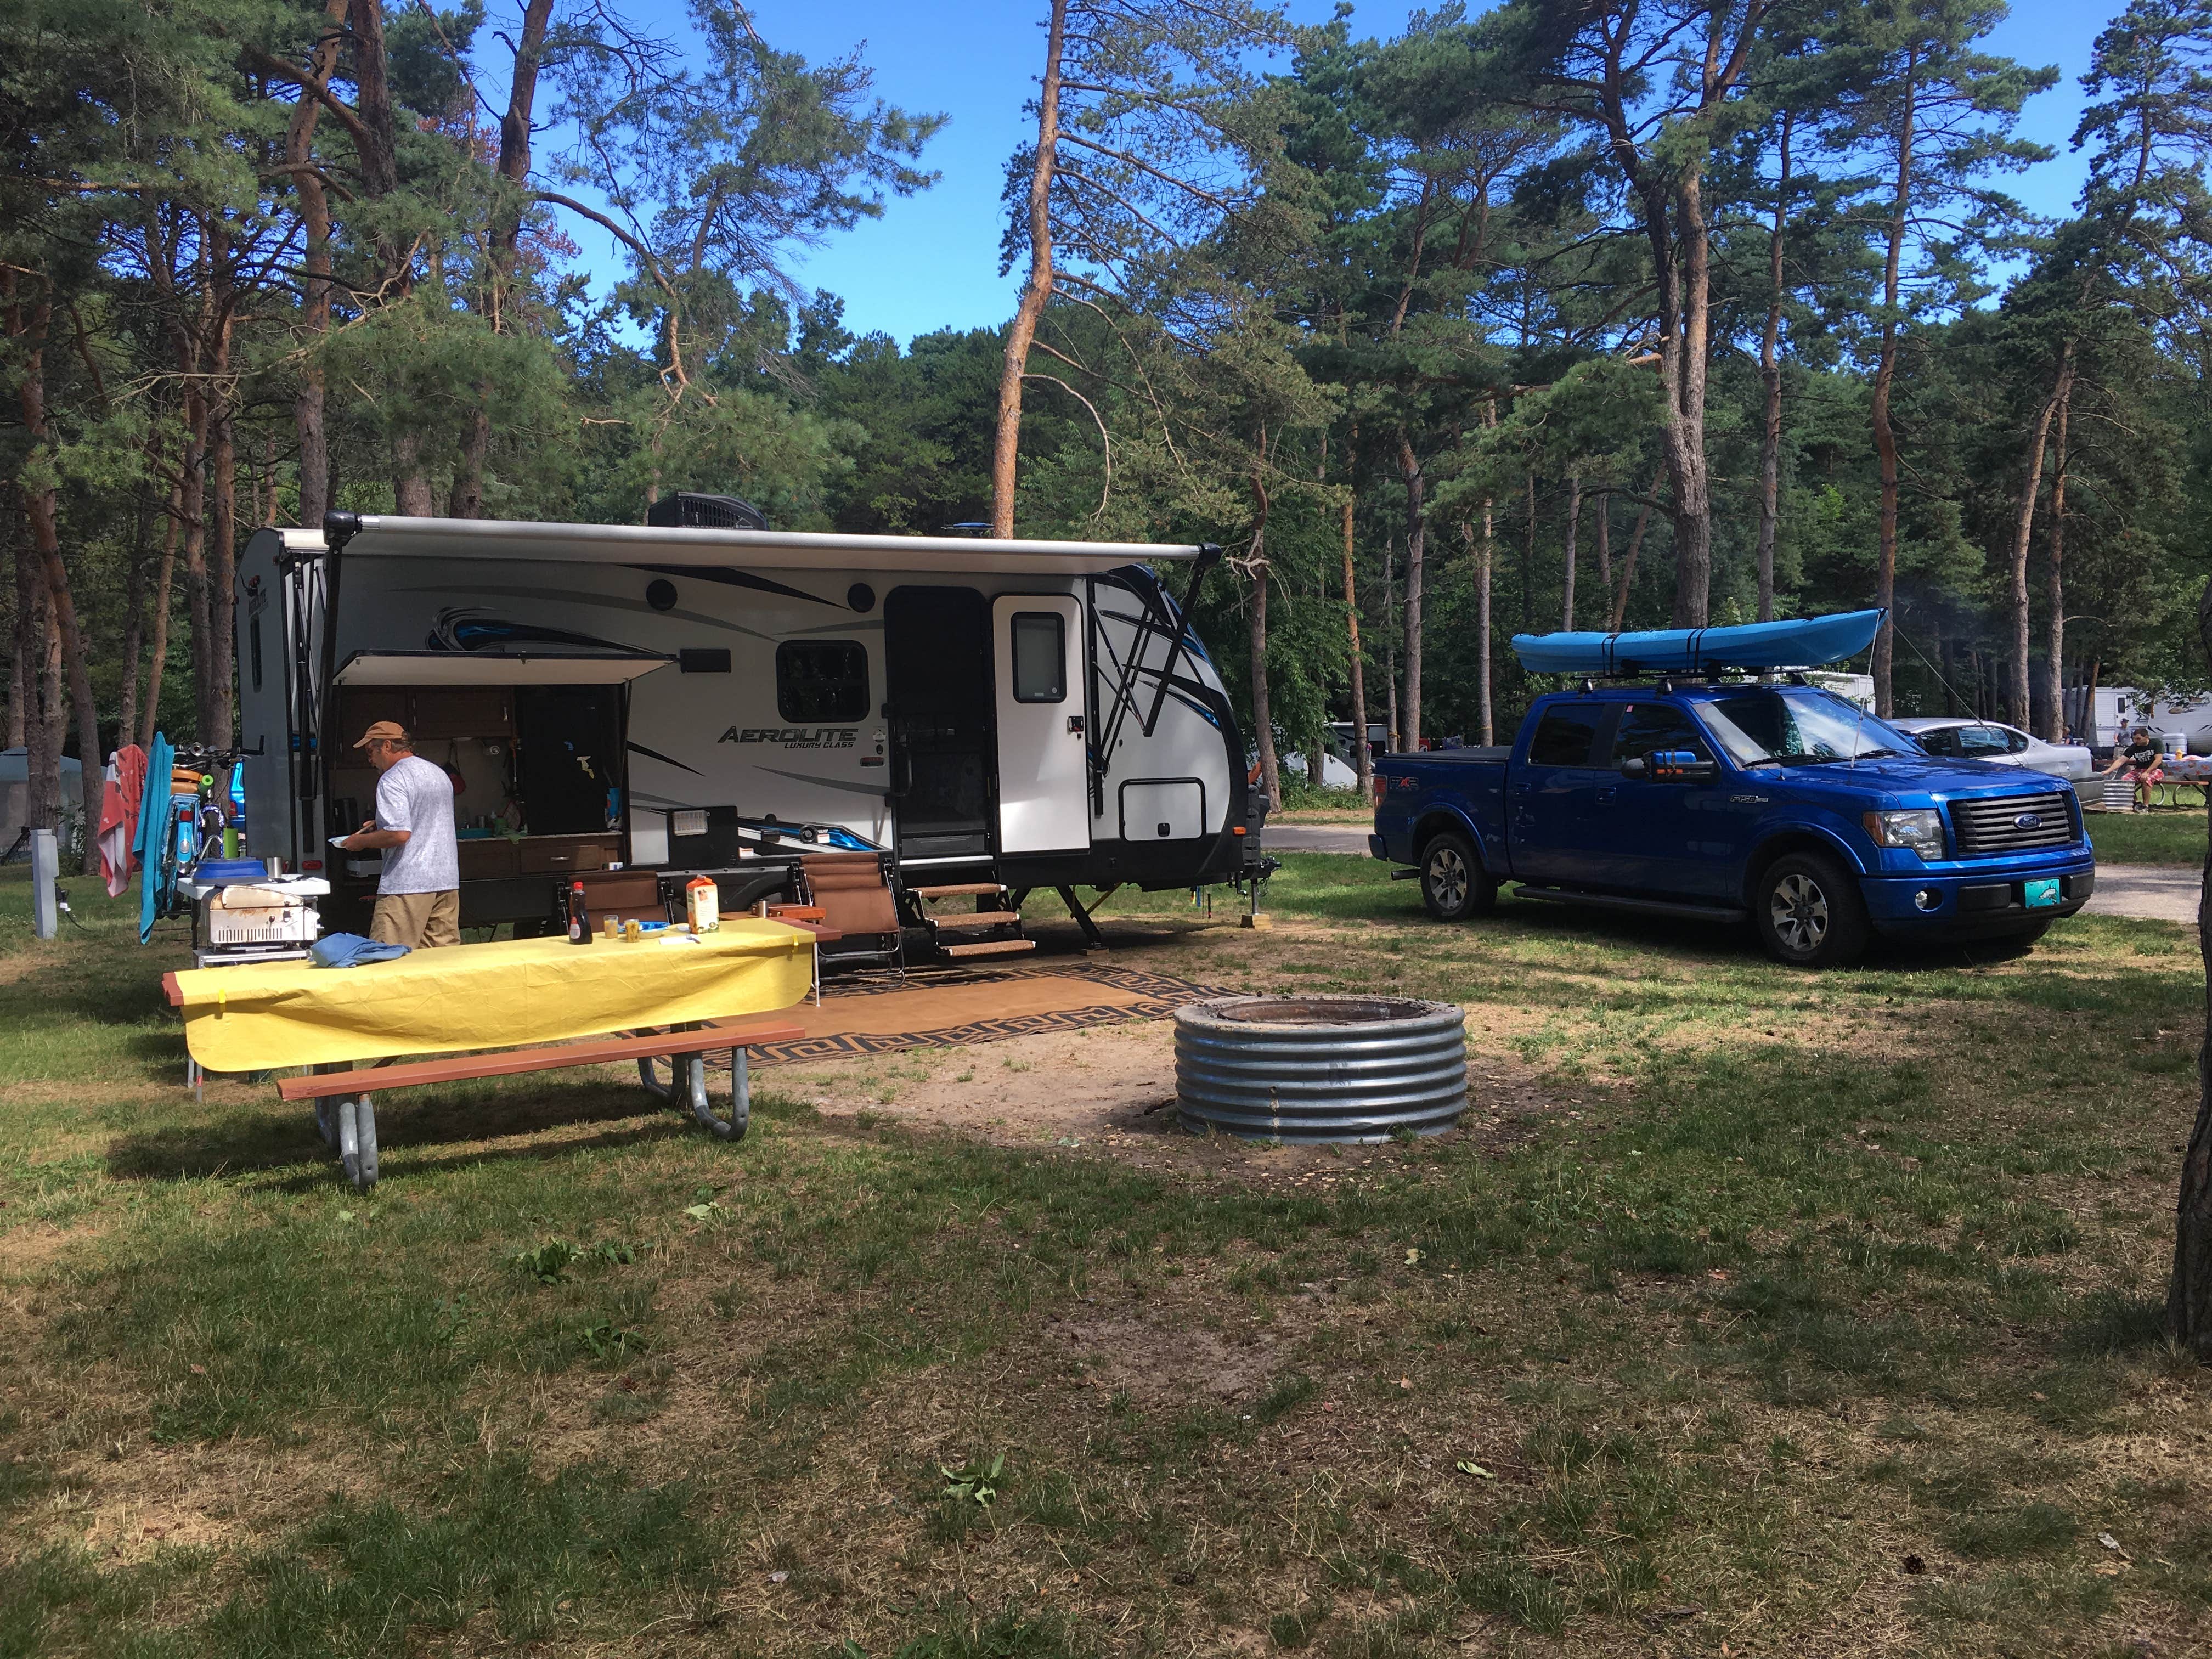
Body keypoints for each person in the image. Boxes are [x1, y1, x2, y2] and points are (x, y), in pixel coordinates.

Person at [334, 720, 460, 947]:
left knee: (389, 958)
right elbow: (424, 818)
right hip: (446, 880)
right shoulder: (436, 772)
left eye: (370, 750)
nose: (369, 758)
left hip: (407, 884)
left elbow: (400, 835)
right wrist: (381, 823)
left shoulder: (392, 779)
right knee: (441, 962)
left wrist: (358, 841)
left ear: (388, 746)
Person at [2098, 725, 2165, 813]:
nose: (2135, 741)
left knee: (2147, 779)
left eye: (2138, 739)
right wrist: (2108, 771)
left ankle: (2145, 806)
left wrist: (2147, 772)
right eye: (2134, 739)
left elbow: (2158, 760)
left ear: (2146, 737)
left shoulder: (2156, 743)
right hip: (2140, 769)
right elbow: (2121, 761)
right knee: (2124, 780)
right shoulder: (2134, 747)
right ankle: (2136, 802)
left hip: (2155, 769)